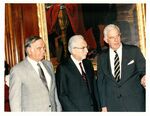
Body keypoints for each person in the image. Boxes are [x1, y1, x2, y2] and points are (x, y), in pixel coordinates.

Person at [97, 24, 146, 112]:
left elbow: (144, 70)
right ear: (106, 40)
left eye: (118, 36)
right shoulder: (102, 57)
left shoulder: (133, 51)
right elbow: (101, 82)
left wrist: (144, 77)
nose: (116, 40)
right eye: (112, 37)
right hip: (113, 105)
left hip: (135, 103)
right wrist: (103, 105)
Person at [9, 35, 62, 112]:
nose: (43, 51)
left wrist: (59, 110)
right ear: (29, 50)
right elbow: (15, 103)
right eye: (39, 48)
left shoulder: (48, 65)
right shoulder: (17, 70)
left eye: (44, 48)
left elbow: (54, 93)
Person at [55, 35, 98, 111]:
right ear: (73, 50)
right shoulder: (63, 68)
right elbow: (62, 95)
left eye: (86, 47)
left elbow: (94, 87)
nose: (87, 51)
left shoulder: (88, 64)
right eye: (83, 48)